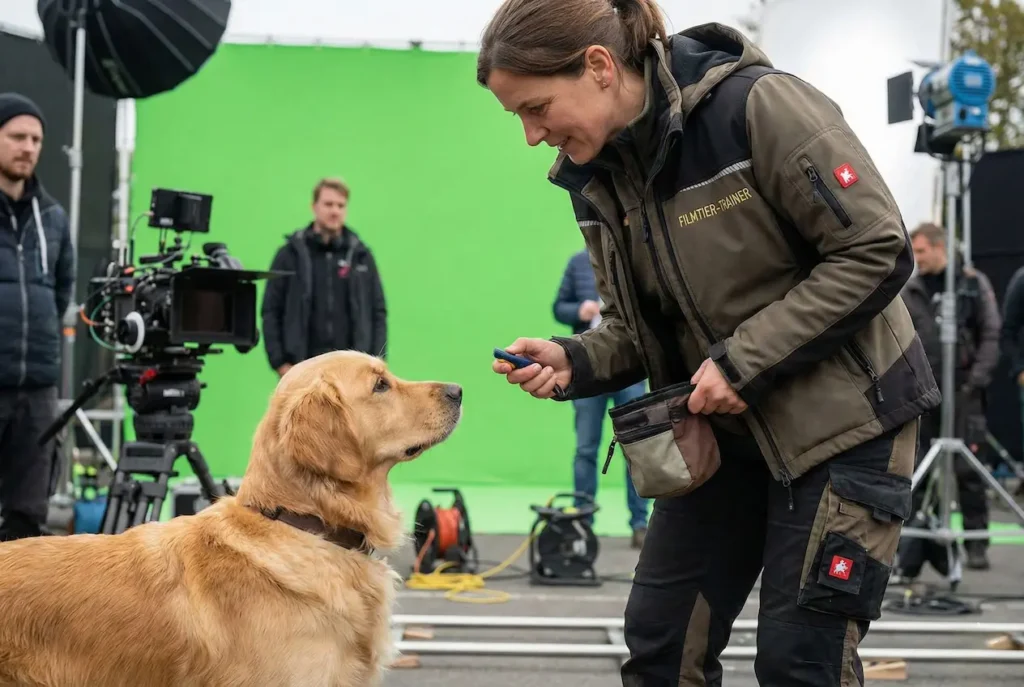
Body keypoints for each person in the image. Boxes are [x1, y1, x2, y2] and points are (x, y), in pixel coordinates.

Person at [479, 2, 940, 685]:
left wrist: (741, 361)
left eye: (536, 107)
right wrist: (573, 359)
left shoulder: (757, 109)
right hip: (727, 435)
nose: (530, 134)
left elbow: (874, 247)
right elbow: (641, 331)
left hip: (848, 425)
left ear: (600, 67)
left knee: (798, 661)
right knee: (662, 650)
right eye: (517, 115)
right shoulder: (597, 183)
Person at [899, 222, 1000, 571]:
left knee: (967, 470)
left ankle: (976, 543)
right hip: (924, 396)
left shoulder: (970, 284)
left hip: (963, 394)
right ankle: (914, 544)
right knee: (918, 468)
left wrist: (976, 380)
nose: (918, 258)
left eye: (923, 251)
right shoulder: (910, 290)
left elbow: (991, 332)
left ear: (940, 248)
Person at [0, 93, 76, 541]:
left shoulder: (53, 216)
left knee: (28, 517)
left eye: (36, 139)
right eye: (16, 136)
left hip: (38, 392)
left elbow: (61, 289)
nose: (28, 147)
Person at [554, 249, 649, 547]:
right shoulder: (577, 263)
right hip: (587, 370)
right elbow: (559, 308)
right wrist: (577, 312)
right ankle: (583, 522)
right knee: (585, 449)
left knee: (637, 447)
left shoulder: (634, 257)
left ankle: (639, 524)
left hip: (630, 367)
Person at [261, 177, 387, 377]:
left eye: (340, 205)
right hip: (301, 369)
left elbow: (378, 312)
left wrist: (376, 365)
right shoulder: (289, 255)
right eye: (328, 204)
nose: (335, 211)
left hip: (353, 374)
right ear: (314, 206)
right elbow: (270, 311)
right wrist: (280, 363)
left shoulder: (361, 256)